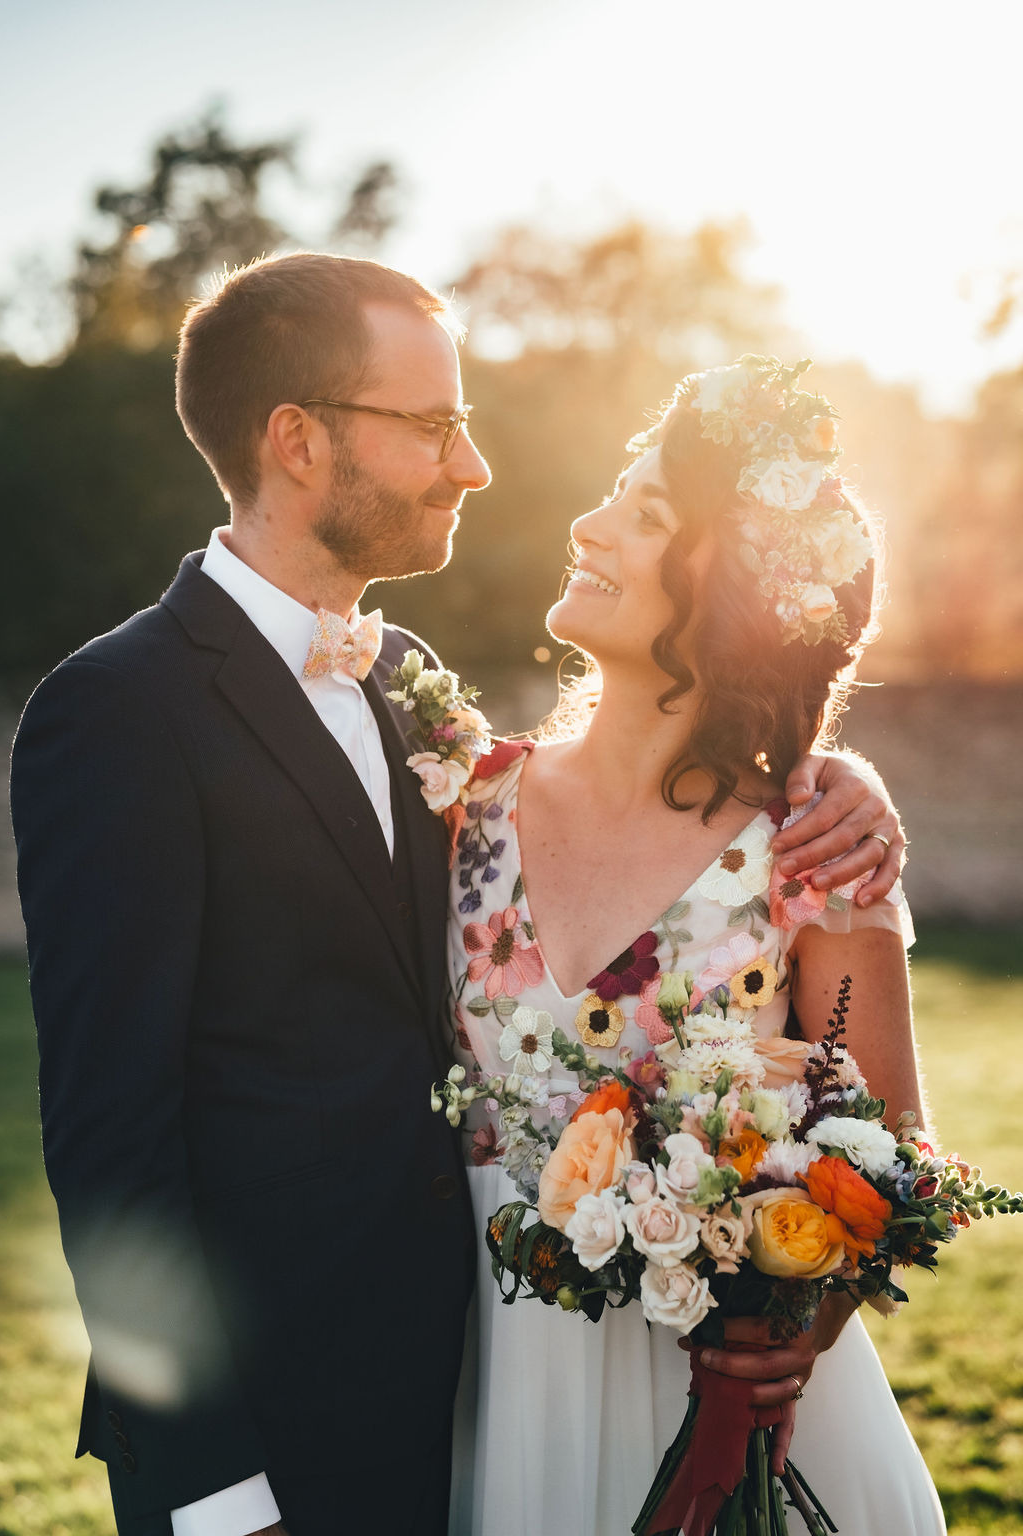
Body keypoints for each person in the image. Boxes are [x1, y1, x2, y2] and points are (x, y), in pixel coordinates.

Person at [11, 259, 902, 1536]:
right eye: (432, 425)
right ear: (298, 441)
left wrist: (843, 778)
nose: (472, 464)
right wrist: (210, 1489)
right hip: (267, 1438)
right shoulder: (114, 713)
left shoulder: (416, 696)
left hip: (459, 1398)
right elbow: (110, 1142)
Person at [445, 358, 945, 1534]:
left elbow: (896, 1154)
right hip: (496, 1380)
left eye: (647, 512)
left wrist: (781, 1341)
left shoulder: (817, 853)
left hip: (729, 1417)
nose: (589, 523)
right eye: (615, 491)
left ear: (734, 596)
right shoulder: (456, 806)